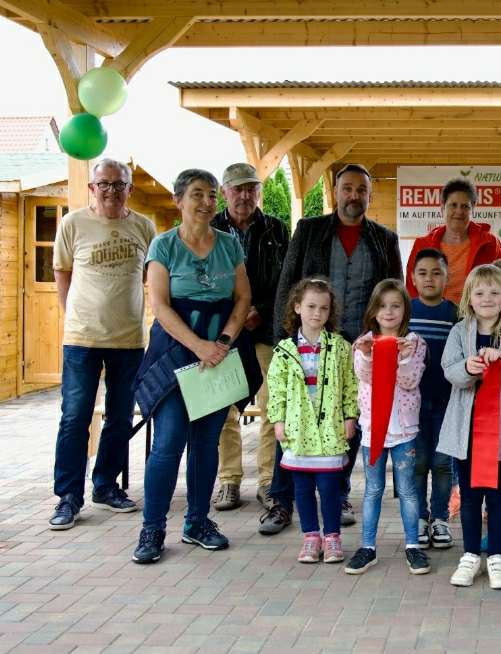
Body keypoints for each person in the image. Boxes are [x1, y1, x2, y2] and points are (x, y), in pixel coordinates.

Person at [131, 169, 262, 564]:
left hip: (219, 353)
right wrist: (199, 346)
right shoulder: (164, 245)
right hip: (176, 353)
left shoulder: (229, 244)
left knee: (207, 443)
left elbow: (242, 298)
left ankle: (197, 522)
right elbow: (160, 306)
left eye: (210, 195)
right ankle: (152, 529)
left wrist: (222, 343)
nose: (206, 202)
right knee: (168, 441)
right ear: (179, 200)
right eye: (197, 195)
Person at [268, 163, 402, 531]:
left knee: (348, 420)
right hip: (308, 343)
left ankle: (338, 494)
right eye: (347, 188)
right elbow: (288, 282)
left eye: (361, 189)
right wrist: (284, 338)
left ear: (370, 196)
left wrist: (386, 339)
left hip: (359, 348)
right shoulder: (309, 230)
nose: (354, 195)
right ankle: (281, 502)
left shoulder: (383, 238)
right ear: (336, 192)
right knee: (296, 415)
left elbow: (394, 291)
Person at [49, 159, 156, 530]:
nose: (111, 190)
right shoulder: (72, 223)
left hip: (128, 339)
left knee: (121, 416)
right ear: (92, 189)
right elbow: (62, 272)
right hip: (81, 339)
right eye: (104, 184)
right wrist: (71, 315)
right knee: (75, 416)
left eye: (119, 184)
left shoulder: (144, 226)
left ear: (129, 188)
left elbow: (152, 277)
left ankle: (106, 486)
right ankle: (67, 496)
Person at [439, 265, 501, 590]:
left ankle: (496, 556)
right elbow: (449, 370)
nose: (488, 298)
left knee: (498, 498)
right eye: (480, 293)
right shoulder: (459, 331)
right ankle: (469, 555)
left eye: (495, 292)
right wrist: (468, 367)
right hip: (466, 434)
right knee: (469, 497)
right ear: (469, 297)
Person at [212, 163, 289, 512]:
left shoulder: (277, 229)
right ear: (225, 192)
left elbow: (287, 282)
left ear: (259, 191)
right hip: (223, 334)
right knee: (224, 408)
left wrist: (258, 309)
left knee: (274, 406)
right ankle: (229, 480)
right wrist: (234, 317)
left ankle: (269, 481)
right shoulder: (208, 229)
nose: (244, 195)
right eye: (237, 188)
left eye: (251, 188)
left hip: (266, 331)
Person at [267, 278, 358, 564]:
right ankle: (311, 537)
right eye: (310, 306)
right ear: (297, 308)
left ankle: (332, 537)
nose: (316, 313)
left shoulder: (341, 347)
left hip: (330, 431)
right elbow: (276, 389)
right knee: (302, 489)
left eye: (323, 308)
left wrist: (350, 415)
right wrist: (278, 420)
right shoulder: (283, 350)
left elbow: (350, 385)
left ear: (330, 312)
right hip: (297, 431)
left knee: (330, 488)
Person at [344, 280, 430, 575]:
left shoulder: (415, 342)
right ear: (373, 310)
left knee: (407, 490)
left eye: (396, 305)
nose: (389, 311)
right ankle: (368, 547)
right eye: (382, 306)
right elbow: (363, 375)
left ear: (405, 309)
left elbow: (409, 381)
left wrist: (402, 356)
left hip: (404, 429)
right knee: (373, 489)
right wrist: (369, 353)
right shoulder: (363, 342)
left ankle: (413, 547)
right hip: (372, 429)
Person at [409, 248, 458, 549]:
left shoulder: (454, 313)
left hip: (446, 403)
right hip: (411, 406)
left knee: (442, 464)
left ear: (446, 277)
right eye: (423, 273)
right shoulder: (406, 311)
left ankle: (439, 517)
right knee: (417, 463)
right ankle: (419, 518)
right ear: (413, 278)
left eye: (436, 273)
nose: (429, 279)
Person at [406, 178, 501, 304]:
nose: (459, 211)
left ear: (472, 209)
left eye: (465, 206)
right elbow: (411, 288)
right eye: (453, 205)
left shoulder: (490, 243)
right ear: (442, 207)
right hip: (434, 318)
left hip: (478, 319)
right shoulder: (422, 245)